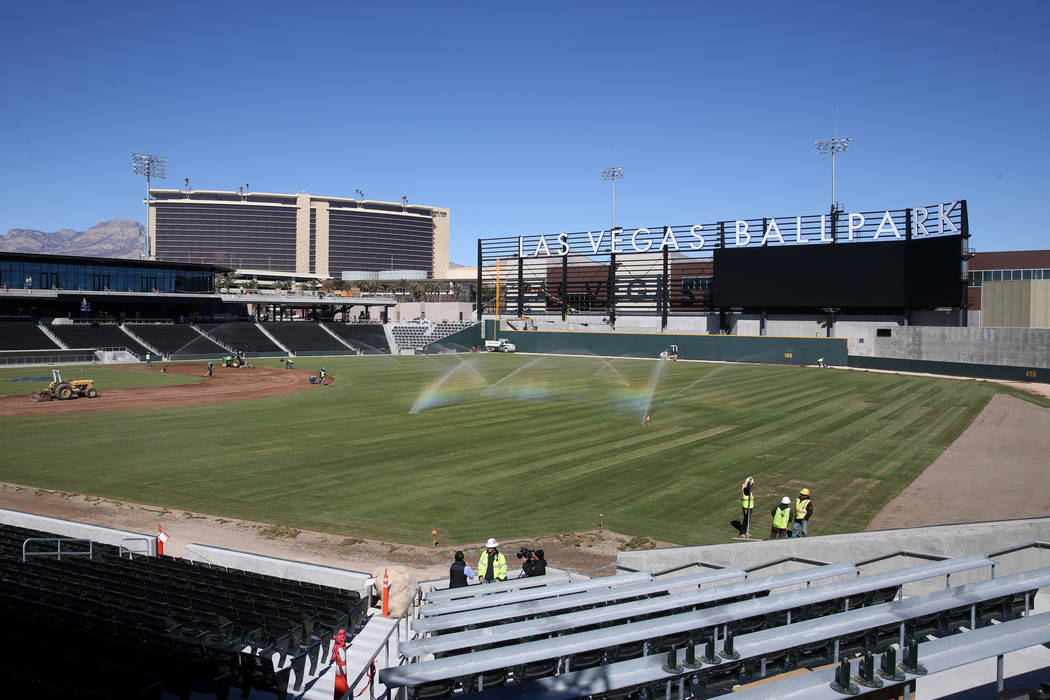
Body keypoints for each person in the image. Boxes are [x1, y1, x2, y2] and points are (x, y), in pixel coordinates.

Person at [331, 628, 349, 700]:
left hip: (340, 653)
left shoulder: (341, 643)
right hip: (339, 652)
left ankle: (341, 695)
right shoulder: (341, 643)